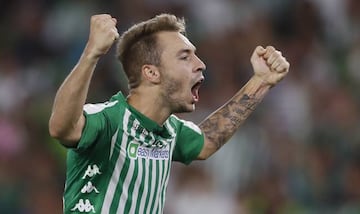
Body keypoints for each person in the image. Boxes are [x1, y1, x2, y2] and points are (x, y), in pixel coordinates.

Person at [49, 13, 289, 214]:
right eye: (185, 56)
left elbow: (206, 142)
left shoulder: (170, 131)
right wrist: (91, 53)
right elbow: (61, 127)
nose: (200, 63)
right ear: (151, 73)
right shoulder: (108, 120)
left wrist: (261, 82)